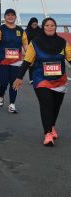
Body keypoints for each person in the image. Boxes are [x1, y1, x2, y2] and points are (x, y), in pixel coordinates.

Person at [13, 18, 71, 146]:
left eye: (52, 25)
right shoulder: (35, 43)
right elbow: (27, 61)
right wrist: (19, 77)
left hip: (59, 81)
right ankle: (48, 134)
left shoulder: (62, 42)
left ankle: (52, 126)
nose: (50, 27)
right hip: (41, 79)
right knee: (46, 105)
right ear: (43, 27)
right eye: (47, 25)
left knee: (55, 107)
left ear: (56, 27)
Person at [0, 8, 28, 113]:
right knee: (3, 83)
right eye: (8, 15)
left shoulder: (21, 30)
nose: (10, 17)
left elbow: (25, 44)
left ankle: (12, 104)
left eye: (12, 15)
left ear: (15, 17)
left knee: (14, 83)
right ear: (5, 17)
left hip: (17, 61)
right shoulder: (0, 29)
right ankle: (1, 95)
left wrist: (30, 57)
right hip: (3, 60)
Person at [25, 17, 41, 83]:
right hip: (30, 50)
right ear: (30, 24)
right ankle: (31, 79)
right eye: (33, 24)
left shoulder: (40, 30)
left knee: (39, 64)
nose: (34, 25)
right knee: (31, 64)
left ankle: (38, 78)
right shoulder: (26, 31)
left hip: (39, 50)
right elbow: (24, 41)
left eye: (36, 24)